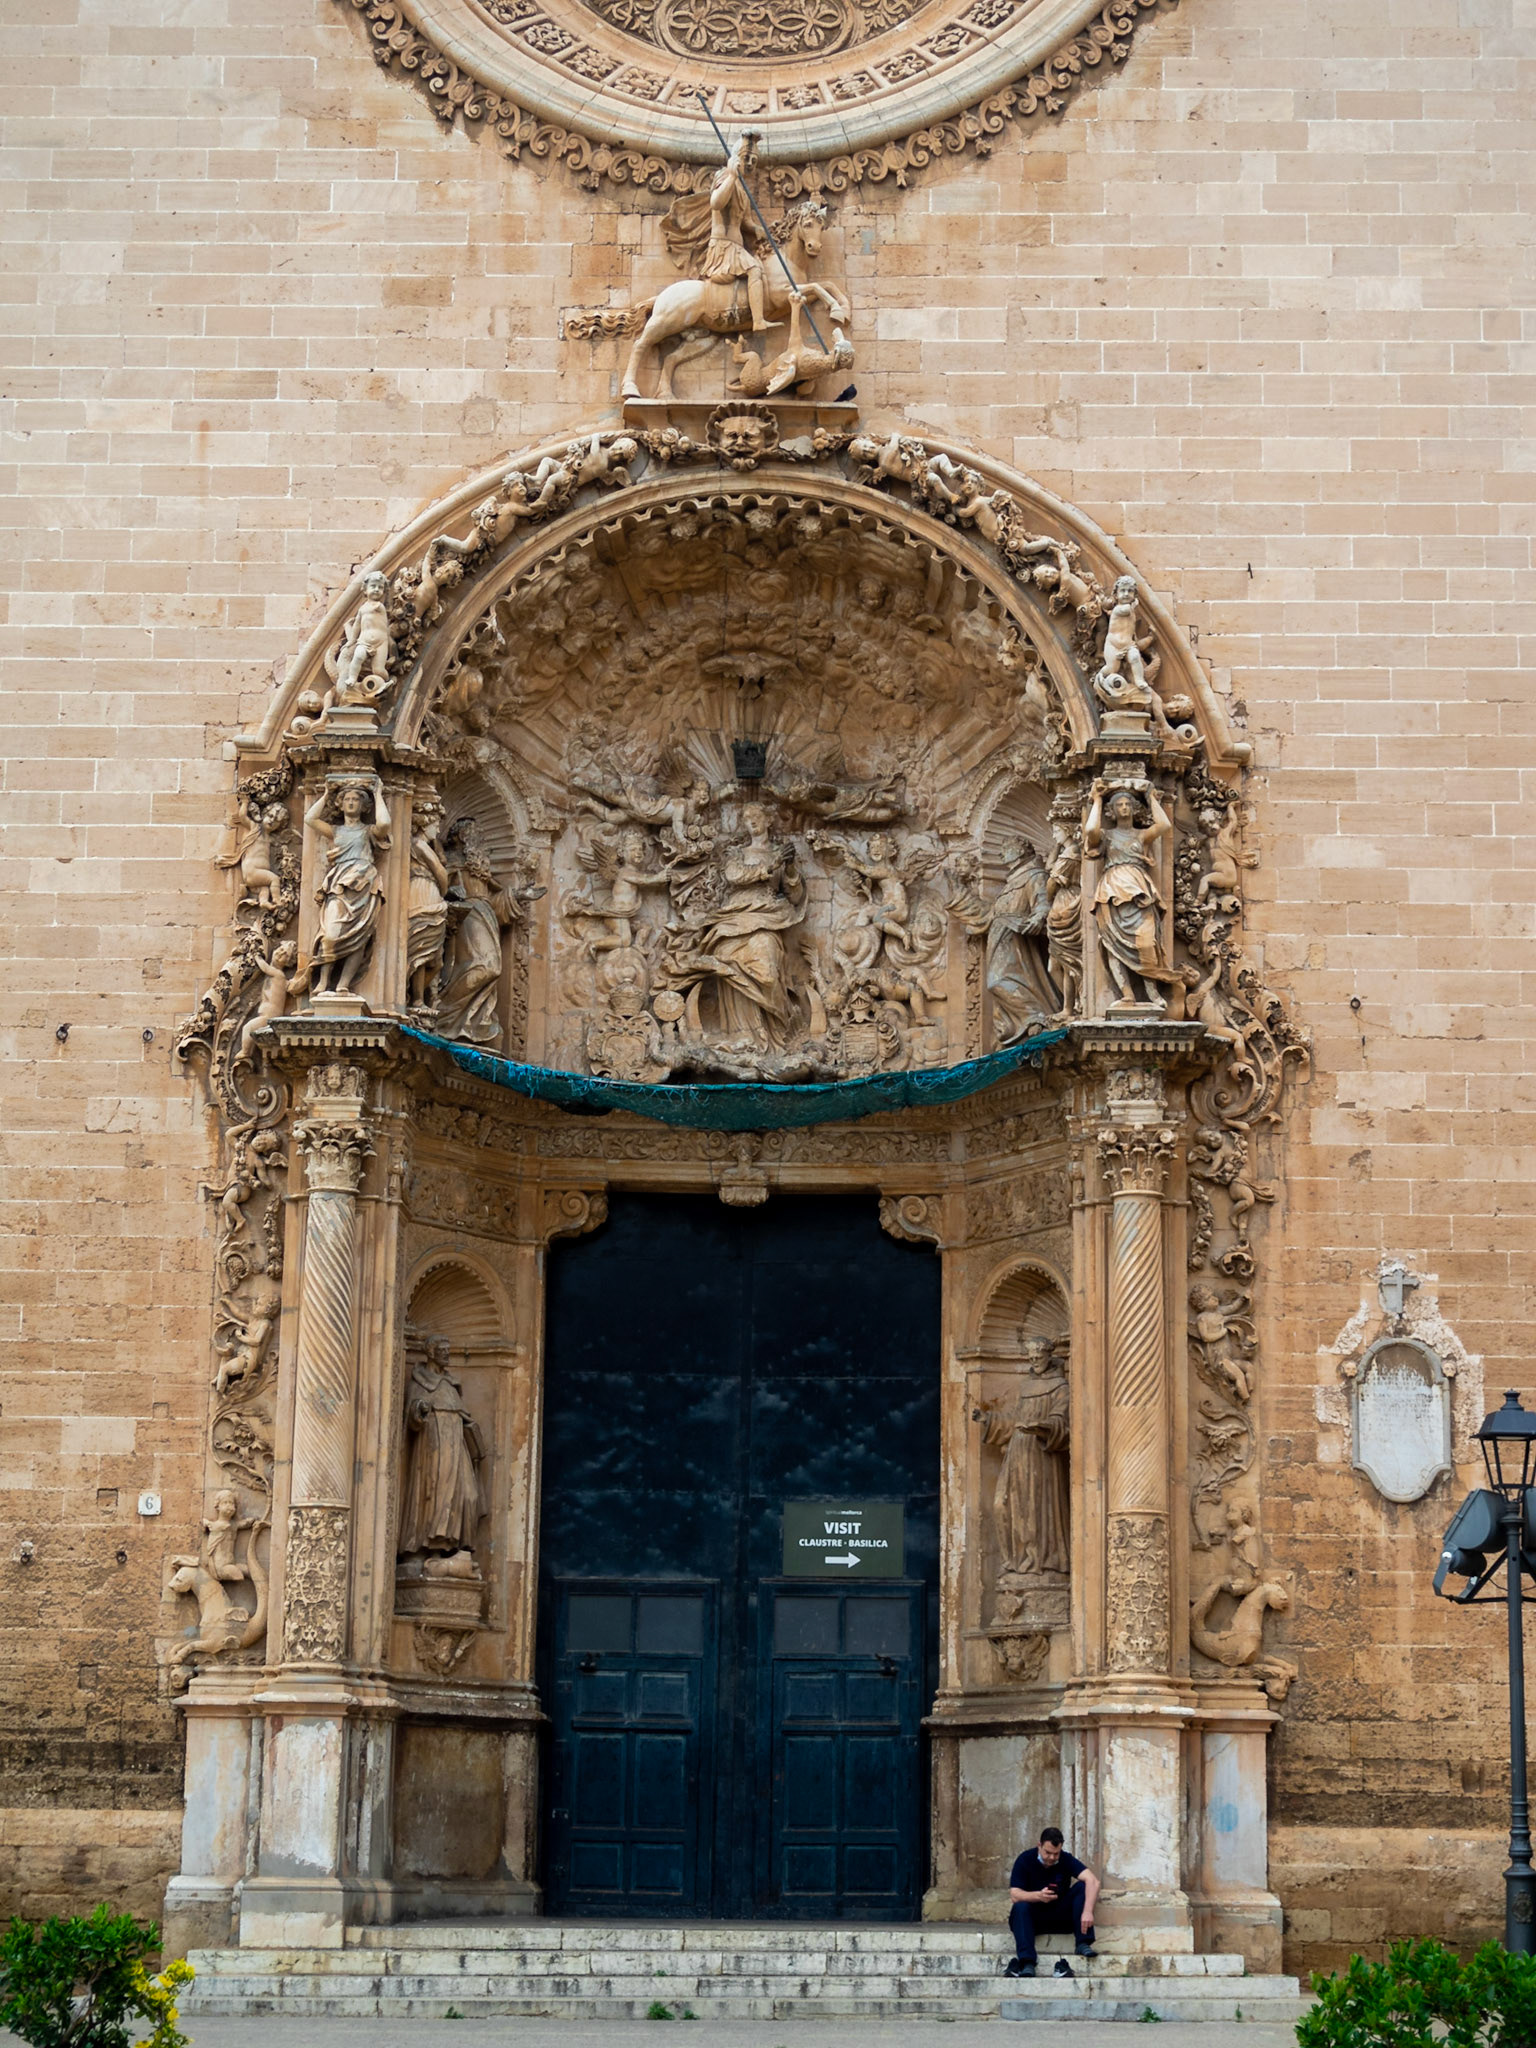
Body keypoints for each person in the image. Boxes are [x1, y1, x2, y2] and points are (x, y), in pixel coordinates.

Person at [1004, 1825, 1099, 1978]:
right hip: (1033, 1919)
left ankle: (1083, 1943)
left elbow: (1093, 1881)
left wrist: (1088, 1911)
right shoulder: (1025, 1859)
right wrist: (1038, 1896)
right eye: (1048, 1852)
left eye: (1056, 1854)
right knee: (1020, 1907)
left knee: (1083, 1886)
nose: (1052, 1858)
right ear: (1039, 1845)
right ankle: (1027, 1962)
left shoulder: (1065, 1859)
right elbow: (1015, 1894)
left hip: (1061, 1916)